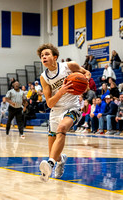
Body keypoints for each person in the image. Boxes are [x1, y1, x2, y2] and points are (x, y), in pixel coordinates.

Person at [37, 43, 91, 182]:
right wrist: (61, 91)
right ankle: (60, 161)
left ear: (55, 57)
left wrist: (85, 84)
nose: (44, 57)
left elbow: (86, 73)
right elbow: (49, 103)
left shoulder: (69, 66)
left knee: (62, 129)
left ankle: (50, 164)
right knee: (54, 153)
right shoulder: (44, 77)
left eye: (47, 54)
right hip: (55, 111)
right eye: (42, 55)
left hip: (72, 107)